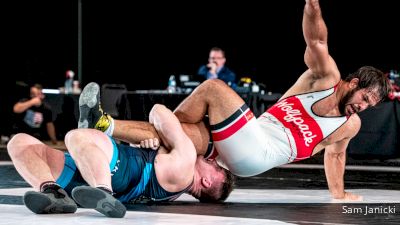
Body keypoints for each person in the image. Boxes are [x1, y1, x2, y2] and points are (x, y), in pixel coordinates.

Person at [79, 0, 391, 201]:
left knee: (213, 89)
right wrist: (312, 4)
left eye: (369, 106)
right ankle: (103, 125)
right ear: (352, 83)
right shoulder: (322, 79)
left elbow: (336, 156)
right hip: (244, 138)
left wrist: (339, 195)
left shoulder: (349, 125)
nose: (361, 107)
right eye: (363, 98)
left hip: (258, 153)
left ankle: (167, 140)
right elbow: (317, 40)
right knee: (187, 137)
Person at [7, 104, 234, 218]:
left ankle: (102, 191)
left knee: (77, 136)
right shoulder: (174, 185)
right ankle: (53, 192)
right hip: (89, 173)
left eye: (215, 166)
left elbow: (159, 111)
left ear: (206, 181)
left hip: (112, 171)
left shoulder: (186, 160)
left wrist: (159, 131)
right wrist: (147, 144)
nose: (210, 159)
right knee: (19, 142)